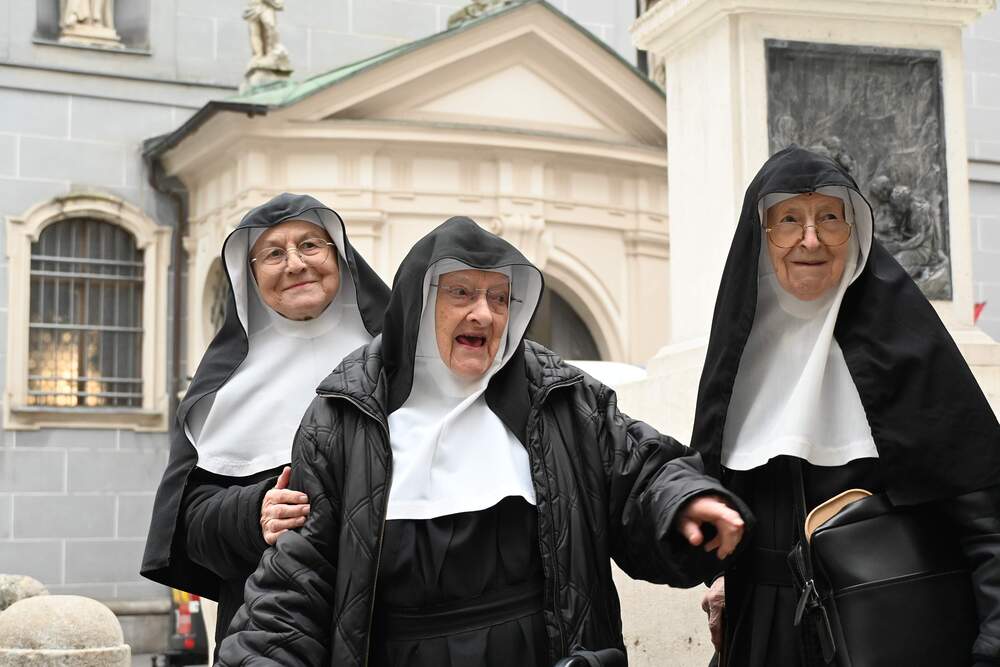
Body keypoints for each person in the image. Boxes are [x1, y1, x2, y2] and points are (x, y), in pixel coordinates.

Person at [217, 216, 752, 667]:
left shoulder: (559, 397)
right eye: (461, 294)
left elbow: (642, 470)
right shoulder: (343, 417)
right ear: (419, 305)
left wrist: (685, 502)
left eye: (499, 297)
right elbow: (297, 580)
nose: (485, 313)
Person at [693, 146, 1000, 666]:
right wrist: (723, 576)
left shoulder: (910, 353)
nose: (810, 239)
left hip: (889, 631)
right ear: (760, 238)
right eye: (789, 219)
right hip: (763, 635)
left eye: (829, 218)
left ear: (854, 230)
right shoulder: (739, 366)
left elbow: (987, 524)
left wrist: (992, 645)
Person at [141, 193, 390, 651]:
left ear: (339, 255)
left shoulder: (400, 363)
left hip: (390, 615)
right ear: (251, 276)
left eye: (311, 245)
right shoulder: (223, 387)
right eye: (274, 253)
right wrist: (254, 511)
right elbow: (193, 528)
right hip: (268, 625)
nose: (296, 264)